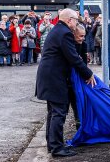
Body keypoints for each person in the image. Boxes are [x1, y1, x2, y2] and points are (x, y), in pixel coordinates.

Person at [35, 8, 96, 157]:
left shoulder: (57, 30)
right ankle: (57, 148)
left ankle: (53, 144)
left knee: (53, 113)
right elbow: (73, 58)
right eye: (76, 20)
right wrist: (88, 74)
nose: (77, 22)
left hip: (49, 77)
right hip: (54, 78)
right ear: (70, 20)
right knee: (59, 113)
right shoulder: (65, 33)